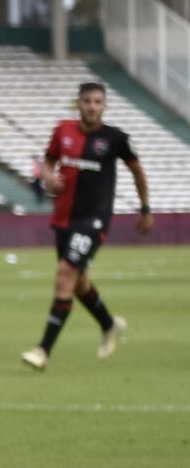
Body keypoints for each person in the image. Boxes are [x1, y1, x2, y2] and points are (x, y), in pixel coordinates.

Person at [20, 82, 153, 371]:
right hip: (64, 218)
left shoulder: (116, 138)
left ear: (104, 106)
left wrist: (145, 209)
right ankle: (109, 324)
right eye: (87, 101)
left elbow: (138, 173)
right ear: (78, 104)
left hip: (94, 220)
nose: (92, 106)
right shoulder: (63, 131)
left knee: (65, 274)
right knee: (79, 284)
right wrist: (48, 177)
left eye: (98, 102)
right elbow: (49, 160)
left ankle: (43, 350)